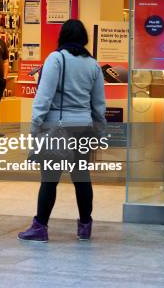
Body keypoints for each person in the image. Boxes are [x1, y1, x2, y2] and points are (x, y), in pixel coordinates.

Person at [18, 19, 106, 242]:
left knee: (49, 179)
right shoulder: (93, 65)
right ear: (84, 38)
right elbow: (98, 104)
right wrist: (100, 130)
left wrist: (35, 126)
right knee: (82, 177)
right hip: (83, 127)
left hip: (59, 128)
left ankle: (40, 227)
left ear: (63, 36)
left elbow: (43, 97)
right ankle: (85, 226)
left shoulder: (56, 59)